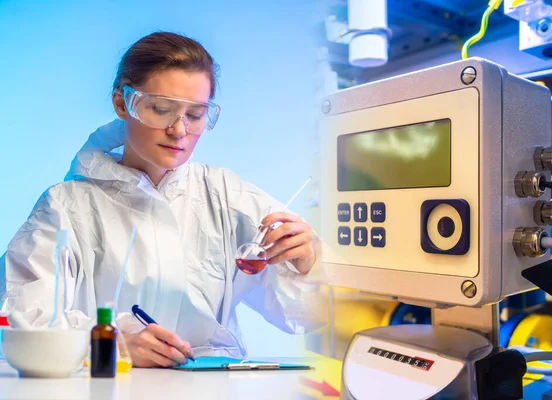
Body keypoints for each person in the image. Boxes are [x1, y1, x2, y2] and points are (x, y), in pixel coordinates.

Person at [1, 32, 323, 368]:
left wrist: (306, 263)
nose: (180, 130)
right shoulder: (66, 208)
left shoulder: (227, 195)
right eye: (161, 109)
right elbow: (18, 319)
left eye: (195, 115)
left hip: (210, 389)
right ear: (122, 103)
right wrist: (110, 345)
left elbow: (310, 318)